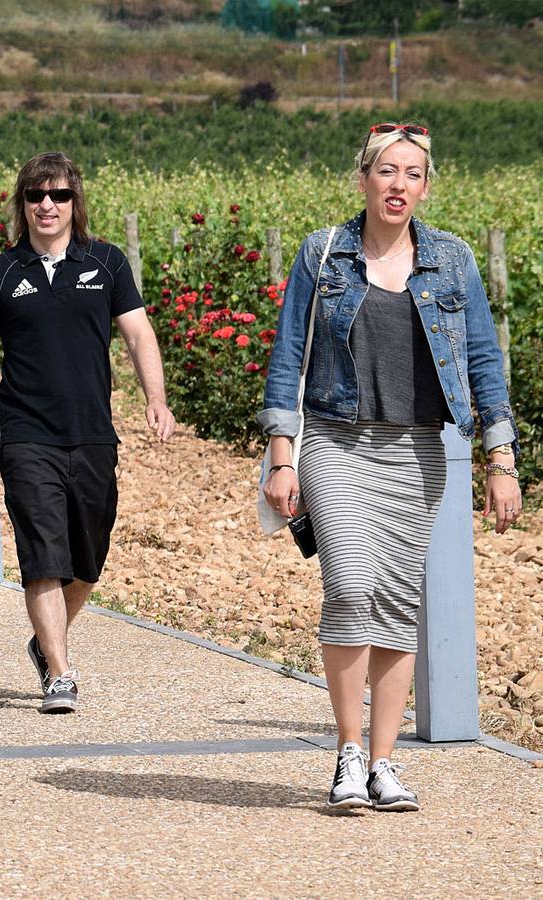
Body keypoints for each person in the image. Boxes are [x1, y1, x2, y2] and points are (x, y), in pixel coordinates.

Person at [259, 124, 521, 812]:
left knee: (399, 604)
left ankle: (384, 764)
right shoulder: (324, 253)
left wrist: (501, 459)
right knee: (349, 587)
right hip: (336, 443)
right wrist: (281, 455)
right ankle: (347, 754)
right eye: (386, 171)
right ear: (363, 179)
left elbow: (486, 365)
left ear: (425, 186)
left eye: (412, 174)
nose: (398, 184)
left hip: (417, 452)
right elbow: (288, 358)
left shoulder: (453, 261)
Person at [0, 152, 175, 714]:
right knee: (43, 553)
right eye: (36, 196)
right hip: (26, 434)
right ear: (22, 205)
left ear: (75, 202)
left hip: (93, 432)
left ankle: (45, 640)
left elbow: (140, 336)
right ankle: (60, 672)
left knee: (88, 558)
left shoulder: (107, 263)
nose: (47, 205)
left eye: (59, 195)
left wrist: (157, 398)